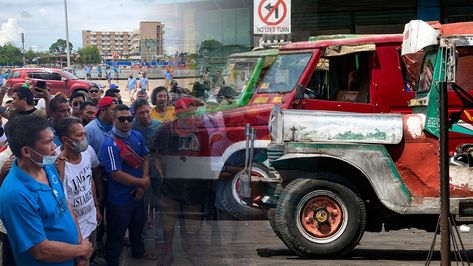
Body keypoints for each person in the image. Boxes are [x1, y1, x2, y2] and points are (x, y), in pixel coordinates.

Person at [0, 115, 93, 265]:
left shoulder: (47, 164)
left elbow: (65, 203)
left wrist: (79, 244)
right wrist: (81, 251)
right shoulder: (15, 195)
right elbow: (40, 250)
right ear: (27, 152)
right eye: (49, 142)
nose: (54, 147)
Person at [99, 104, 156, 265]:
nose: (126, 122)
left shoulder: (137, 135)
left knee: (138, 227)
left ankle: (139, 251)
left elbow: (145, 157)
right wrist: (142, 182)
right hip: (120, 199)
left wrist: (141, 185)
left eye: (129, 118)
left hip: (138, 193)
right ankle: (113, 260)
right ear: (114, 120)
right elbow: (116, 175)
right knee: (116, 233)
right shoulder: (110, 145)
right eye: (122, 119)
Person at [55, 117, 103, 265]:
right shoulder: (56, 162)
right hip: (73, 227)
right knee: (80, 261)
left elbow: (90, 179)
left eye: (84, 134)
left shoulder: (88, 152)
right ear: (66, 140)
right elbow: (58, 197)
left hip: (90, 218)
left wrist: (96, 207)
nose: (84, 139)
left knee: (91, 252)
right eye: (79, 135)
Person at [131, 99, 163, 233]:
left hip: (157, 169)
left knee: (159, 201)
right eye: (141, 113)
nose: (145, 115)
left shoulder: (159, 126)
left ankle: (159, 230)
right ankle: (141, 230)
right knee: (142, 201)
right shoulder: (131, 126)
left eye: (146, 112)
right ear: (135, 115)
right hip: (139, 171)